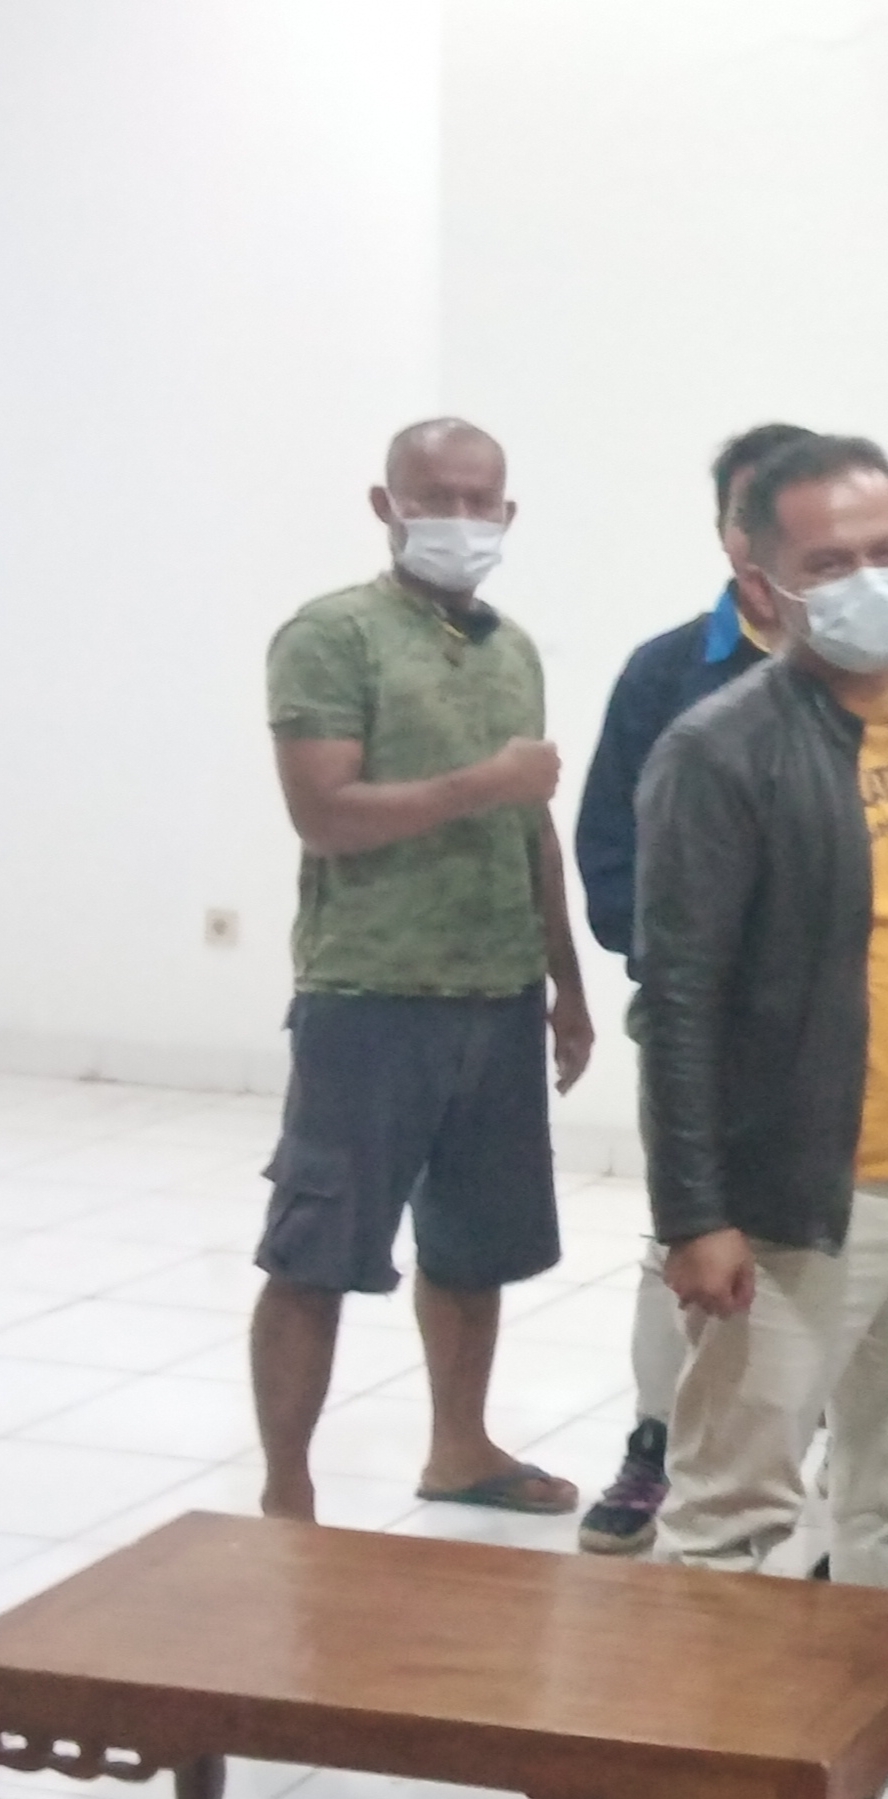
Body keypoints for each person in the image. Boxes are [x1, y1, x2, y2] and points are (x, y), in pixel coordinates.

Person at [635, 433, 888, 1798]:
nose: (873, 579)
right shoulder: (718, 748)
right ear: (762, 583)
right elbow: (679, 999)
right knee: (734, 1503)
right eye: (831, 561)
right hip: (797, 1198)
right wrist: (695, 1213)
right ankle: (706, 1751)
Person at [253, 417, 593, 1525]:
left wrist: (567, 981)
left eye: (478, 499)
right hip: (369, 994)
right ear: (385, 505)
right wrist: (481, 784)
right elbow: (325, 814)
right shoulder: (331, 636)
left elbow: (532, 825)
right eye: (433, 496)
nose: (458, 517)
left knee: (473, 1246)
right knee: (316, 1252)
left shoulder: (513, 648)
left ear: (508, 511)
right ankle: (287, 1489)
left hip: (498, 992)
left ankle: (460, 1447)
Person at [569, 421, 814, 1558]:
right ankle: (656, 1443)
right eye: (757, 511)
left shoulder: (887, 677)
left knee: (824, 1248)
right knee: (686, 1237)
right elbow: (608, 857)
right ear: (729, 532)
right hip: (702, 1024)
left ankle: (801, 1458)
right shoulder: (666, 672)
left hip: (843, 1030)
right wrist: (691, 964)